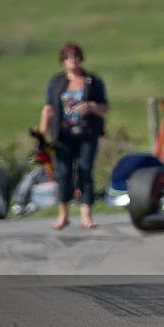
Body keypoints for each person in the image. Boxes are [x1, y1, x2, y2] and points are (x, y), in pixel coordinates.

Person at [38, 43, 108, 230]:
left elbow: (104, 107)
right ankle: (63, 214)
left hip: (87, 133)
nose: (73, 60)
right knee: (63, 173)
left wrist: (91, 107)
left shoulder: (92, 81)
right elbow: (48, 108)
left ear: (81, 58)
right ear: (62, 60)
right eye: (68, 56)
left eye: (76, 56)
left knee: (85, 171)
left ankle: (87, 215)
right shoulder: (56, 82)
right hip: (63, 135)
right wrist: (41, 134)